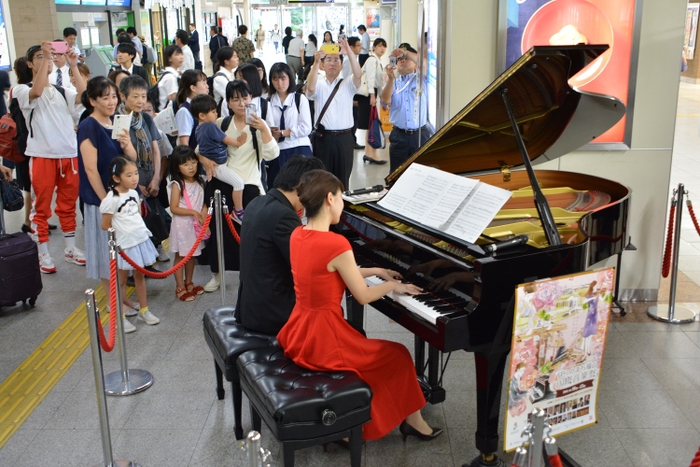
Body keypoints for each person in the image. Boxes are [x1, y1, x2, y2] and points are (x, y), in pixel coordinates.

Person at [276, 169, 441, 442]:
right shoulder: (335, 243)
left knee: (375, 353)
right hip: (325, 340)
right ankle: (406, 422)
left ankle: (400, 416)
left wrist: (377, 269)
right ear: (330, 199)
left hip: (300, 332)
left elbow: (328, 272)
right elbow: (362, 295)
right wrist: (392, 286)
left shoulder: (298, 234)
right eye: (341, 198)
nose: (343, 204)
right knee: (398, 354)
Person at [199, 80, 279, 292]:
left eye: (245, 98)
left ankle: (251, 275)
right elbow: (200, 148)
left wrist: (264, 130)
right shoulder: (221, 124)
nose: (241, 103)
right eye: (236, 99)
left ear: (251, 99)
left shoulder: (257, 126)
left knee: (249, 236)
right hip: (222, 184)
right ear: (229, 102)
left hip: (249, 186)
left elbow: (272, 154)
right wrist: (204, 160)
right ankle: (216, 275)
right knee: (218, 234)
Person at [16, 42, 88, 273]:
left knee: (68, 205)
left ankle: (70, 249)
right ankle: (43, 253)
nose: (45, 59)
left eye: (47, 55)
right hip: (42, 155)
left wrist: (73, 65)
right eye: (38, 56)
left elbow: (85, 97)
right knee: (42, 207)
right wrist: (48, 58)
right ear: (30, 64)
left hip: (69, 154)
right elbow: (36, 92)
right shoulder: (21, 89)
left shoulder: (61, 91)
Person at [78, 76, 142, 321]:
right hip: (102, 201)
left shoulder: (117, 121)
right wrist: (108, 202)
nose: (111, 101)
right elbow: (91, 169)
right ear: (92, 100)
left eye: (114, 96)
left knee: (118, 249)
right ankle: (113, 302)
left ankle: (121, 297)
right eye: (105, 97)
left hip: (120, 199)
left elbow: (131, 159)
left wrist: (127, 145)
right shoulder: (89, 126)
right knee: (106, 252)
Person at [236, 156, 324, 333]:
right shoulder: (283, 215)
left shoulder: (257, 202)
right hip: (272, 313)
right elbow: (307, 266)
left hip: (250, 306)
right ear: (302, 185)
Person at [100, 156, 160, 332]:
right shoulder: (111, 199)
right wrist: (120, 237)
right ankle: (120, 316)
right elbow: (105, 225)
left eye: (136, 173)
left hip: (139, 241)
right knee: (121, 281)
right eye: (129, 175)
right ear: (116, 178)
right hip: (124, 247)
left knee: (140, 277)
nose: (135, 178)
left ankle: (144, 310)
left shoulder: (134, 193)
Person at [306, 37, 361, 189]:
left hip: (345, 139)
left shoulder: (348, 84)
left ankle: (342, 211)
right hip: (324, 139)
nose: (332, 63)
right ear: (323, 65)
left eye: (336, 60)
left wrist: (348, 51)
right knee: (323, 180)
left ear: (342, 66)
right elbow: (310, 89)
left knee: (343, 180)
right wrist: (316, 62)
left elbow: (358, 74)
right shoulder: (319, 84)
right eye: (328, 60)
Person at [190, 94, 247, 220]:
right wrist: (238, 143)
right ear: (202, 115)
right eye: (213, 111)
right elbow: (225, 139)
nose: (216, 114)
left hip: (213, 166)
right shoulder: (210, 126)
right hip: (218, 166)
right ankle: (238, 211)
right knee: (239, 184)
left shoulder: (198, 129)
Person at [381, 44, 432, 173]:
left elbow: (425, 64)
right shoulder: (393, 83)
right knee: (397, 174)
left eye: (405, 58)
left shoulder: (422, 79)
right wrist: (390, 79)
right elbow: (385, 101)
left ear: (415, 64)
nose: (402, 60)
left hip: (420, 135)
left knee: (421, 173)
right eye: (399, 59)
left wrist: (404, 52)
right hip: (399, 136)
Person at [168, 146, 207, 301]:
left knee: (192, 256)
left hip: (195, 226)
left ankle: (189, 282)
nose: (191, 167)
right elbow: (174, 207)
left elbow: (204, 201)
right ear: (177, 167)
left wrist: (202, 212)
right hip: (182, 226)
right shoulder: (177, 184)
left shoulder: (201, 180)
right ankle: (179, 286)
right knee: (181, 255)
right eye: (185, 164)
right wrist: (193, 213)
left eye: (193, 162)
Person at [265, 62, 313, 187]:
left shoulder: (299, 99)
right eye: (275, 79)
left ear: (290, 78)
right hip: (277, 151)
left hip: (299, 148)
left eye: (283, 78)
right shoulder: (268, 102)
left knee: (303, 187)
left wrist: (284, 132)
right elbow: (267, 126)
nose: (279, 83)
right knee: (280, 187)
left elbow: (306, 127)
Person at [359, 37, 387, 164]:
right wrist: (372, 96)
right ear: (374, 47)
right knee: (372, 124)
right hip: (368, 94)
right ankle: (371, 153)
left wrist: (381, 98)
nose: (382, 48)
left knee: (371, 124)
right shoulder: (371, 60)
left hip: (373, 93)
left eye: (384, 46)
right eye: (379, 45)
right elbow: (370, 79)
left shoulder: (378, 61)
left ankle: (369, 153)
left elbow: (379, 83)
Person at [175, 69, 209, 147]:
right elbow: (184, 144)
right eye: (204, 83)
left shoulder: (201, 107)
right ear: (193, 88)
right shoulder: (185, 111)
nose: (207, 86)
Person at [212, 47, 238, 117]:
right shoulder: (220, 78)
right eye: (234, 57)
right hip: (223, 113)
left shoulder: (232, 73)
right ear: (226, 61)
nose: (237, 59)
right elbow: (231, 96)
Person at [158, 44, 184, 111]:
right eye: (177, 54)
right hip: (167, 116)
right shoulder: (170, 77)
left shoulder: (173, 74)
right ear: (169, 58)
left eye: (181, 54)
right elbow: (173, 100)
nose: (181, 57)